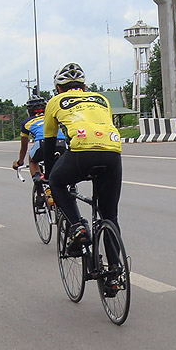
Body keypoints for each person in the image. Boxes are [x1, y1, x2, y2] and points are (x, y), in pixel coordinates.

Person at [42, 62, 122, 255]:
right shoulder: (101, 99)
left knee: (56, 181)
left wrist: (49, 174)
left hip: (81, 152)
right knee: (110, 216)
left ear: (58, 89)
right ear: (84, 87)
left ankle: (77, 227)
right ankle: (115, 270)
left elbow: (49, 142)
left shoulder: (55, 101)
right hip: (112, 153)